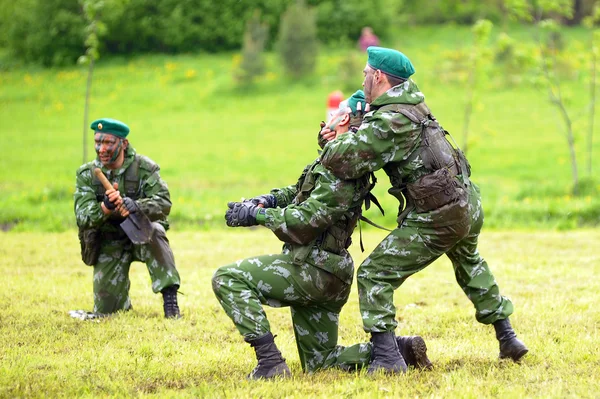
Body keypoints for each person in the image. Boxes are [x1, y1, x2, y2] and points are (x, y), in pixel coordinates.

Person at [319, 47, 528, 373]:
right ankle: (508, 337)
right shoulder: (412, 103)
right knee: (470, 264)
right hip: (466, 203)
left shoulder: (391, 119)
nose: (363, 78)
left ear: (378, 76)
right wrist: (355, 121)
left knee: (374, 274)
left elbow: (345, 162)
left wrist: (334, 139)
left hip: (439, 215)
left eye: (365, 74)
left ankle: (388, 358)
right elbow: (376, 129)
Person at [212, 91, 432, 380]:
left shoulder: (343, 167)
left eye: (336, 112)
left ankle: (269, 363)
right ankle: (396, 349)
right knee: (322, 362)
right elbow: (300, 190)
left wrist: (256, 216)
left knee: (227, 278)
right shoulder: (344, 158)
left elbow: (306, 221)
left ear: (342, 118)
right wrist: (266, 200)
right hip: (328, 272)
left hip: (313, 271)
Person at [73, 118, 181, 319]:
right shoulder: (87, 174)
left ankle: (170, 301)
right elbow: (83, 216)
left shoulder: (144, 168)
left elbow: (164, 203)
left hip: (141, 234)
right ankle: (118, 301)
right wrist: (105, 207)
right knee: (108, 312)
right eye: (98, 142)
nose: (101, 149)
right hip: (109, 241)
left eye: (108, 143)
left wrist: (136, 205)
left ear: (123, 143)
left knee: (156, 230)